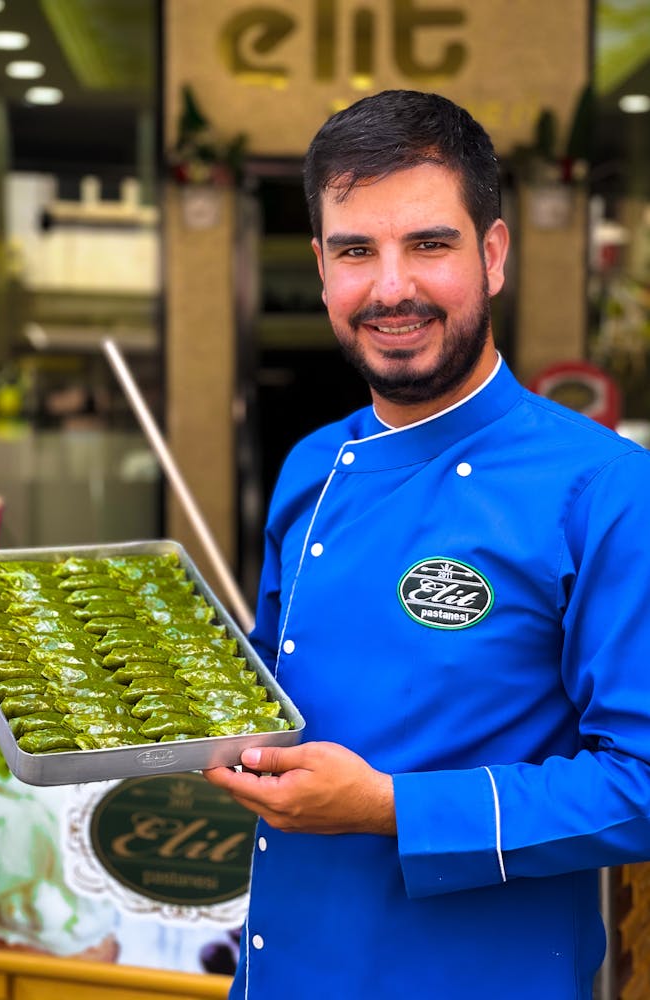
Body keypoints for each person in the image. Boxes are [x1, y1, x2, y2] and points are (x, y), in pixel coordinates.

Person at [203, 89, 650, 999]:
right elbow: (279, 684)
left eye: (429, 245)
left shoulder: (605, 488)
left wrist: (388, 808)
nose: (391, 287)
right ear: (323, 267)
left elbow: (640, 783)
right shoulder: (310, 465)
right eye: (358, 250)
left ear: (492, 256)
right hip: (280, 970)